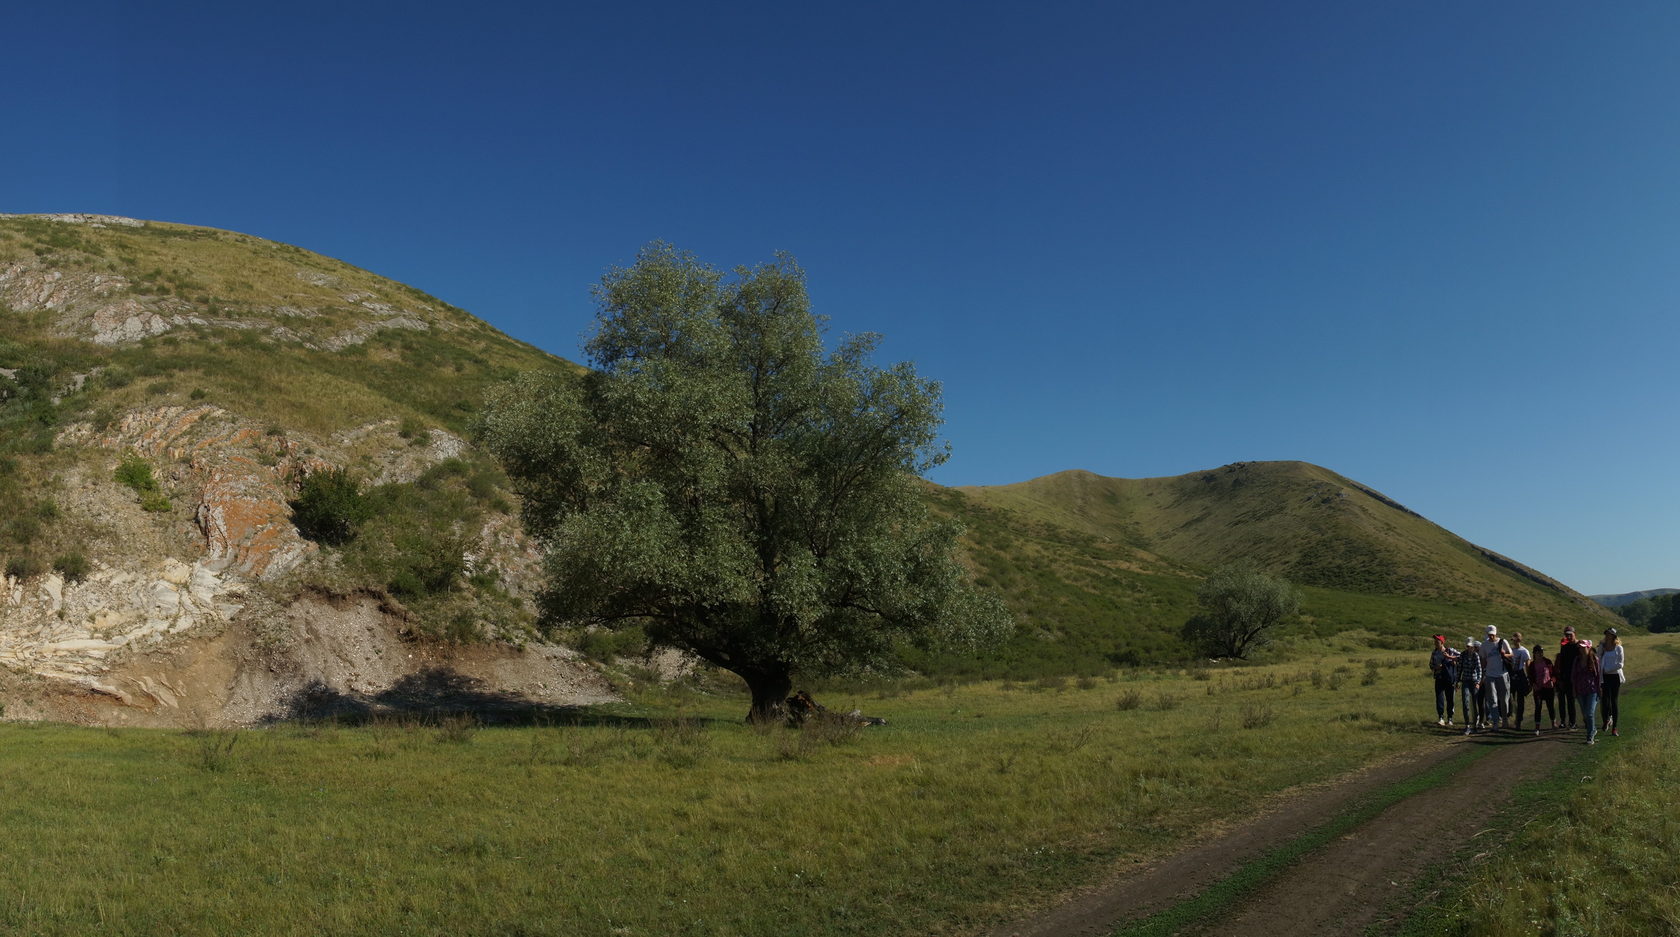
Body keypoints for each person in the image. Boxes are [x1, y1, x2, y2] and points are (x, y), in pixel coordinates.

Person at [1479, 625, 1514, 730]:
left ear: (1496, 633)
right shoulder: (1484, 645)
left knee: (1504, 700)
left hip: (1502, 674)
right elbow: (1483, 660)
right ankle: (1495, 722)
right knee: (1492, 700)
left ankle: (1504, 720)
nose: (1491, 636)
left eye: (1493, 634)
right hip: (1490, 675)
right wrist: (1482, 675)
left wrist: (1504, 655)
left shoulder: (1503, 642)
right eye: (1489, 635)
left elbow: (1511, 654)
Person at [1573, 638, 1603, 745]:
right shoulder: (1577, 660)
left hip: (1592, 690)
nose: (1581, 649)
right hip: (1580, 690)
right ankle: (1593, 729)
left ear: (1588, 647)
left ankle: (1590, 736)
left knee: (1589, 713)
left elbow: (1598, 676)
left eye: (1583, 647)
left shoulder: (1594, 659)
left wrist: (1600, 688)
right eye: (1580, 648)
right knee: (1585, 714)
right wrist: (1574, 689)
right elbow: (1574, 676)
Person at [1600, 628, 1625, 737]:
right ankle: (1606, 720)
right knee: (1605, 701)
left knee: (1613, 701)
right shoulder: (1603, 647)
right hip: (1604, 677)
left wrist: (1608, 669)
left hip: (1615, 677)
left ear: (1614, 636)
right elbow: (1597, 658)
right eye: (1606, 634)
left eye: (1610, 634)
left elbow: (1620, 664)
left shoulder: (1618, 648)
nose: (1607, 636)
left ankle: (1614, 727)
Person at [1430, 634, 1459, 726]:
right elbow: (1430, 665)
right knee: (1439, 698)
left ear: (1442, 642)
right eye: (1435, 641)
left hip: (1449, 678)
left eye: (1437, 641)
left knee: (1450, 698)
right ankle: (1441, 717)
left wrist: (1452, 658)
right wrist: (1436, 667)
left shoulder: (1450, 650)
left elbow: (1461, 657)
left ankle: (1450, 718)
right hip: (1439, 678)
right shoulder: (1434, 653)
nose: (1435, 643)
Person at [1529, 642, 1557, 734]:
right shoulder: (1532, 665)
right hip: (1538, 689)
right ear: (1534, 653)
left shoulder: (1548, 662)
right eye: (1538, 652)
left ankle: (1553, 723)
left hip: (1548, 688)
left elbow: (1554, 674)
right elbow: (1530, 677)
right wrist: (1533, 684)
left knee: (1550, 706)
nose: (1540, 654)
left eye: (1541, 652)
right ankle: (1537, 727)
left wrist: (1552, 681)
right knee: (1538, 707)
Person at [1555, 626, 1581, 729]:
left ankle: (1572, 722)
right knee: (1562, 701)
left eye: (1570, 634)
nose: (1569, 637)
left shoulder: (1579, 646)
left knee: (1571, 701)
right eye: (1567, 635)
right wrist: (1560, 678)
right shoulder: (1564, 647)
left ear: (1575, 633)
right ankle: (1563, 721)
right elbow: (1562, 663)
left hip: (1575, 677)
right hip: (1565, 677)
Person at [1459, 636, 1484, 735]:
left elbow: (1479, 669)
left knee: (1474, 703)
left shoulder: (1476, 656)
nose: (1469, 648)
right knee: (1465, 702)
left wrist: (1478, 682)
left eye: (1470, 646)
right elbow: (1459, 668)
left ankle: (1475, 724)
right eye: (1467, 646)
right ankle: (1467, 725)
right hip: (1465, 680)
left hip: (1474, 681)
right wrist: (1457, 681)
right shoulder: (1463, 655)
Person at [1508, 631, 1532, 731]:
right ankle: (1511, 716)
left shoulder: (1524, 651)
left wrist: (1529, 678)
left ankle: (1518, 721)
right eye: (1514, 639)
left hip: (1521, 675)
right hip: (1512, 676)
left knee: (1520, 700)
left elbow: (1528, 666)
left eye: (1517, 638)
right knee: (1510, 699)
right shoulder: (1511, 650)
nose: (1515, 641)